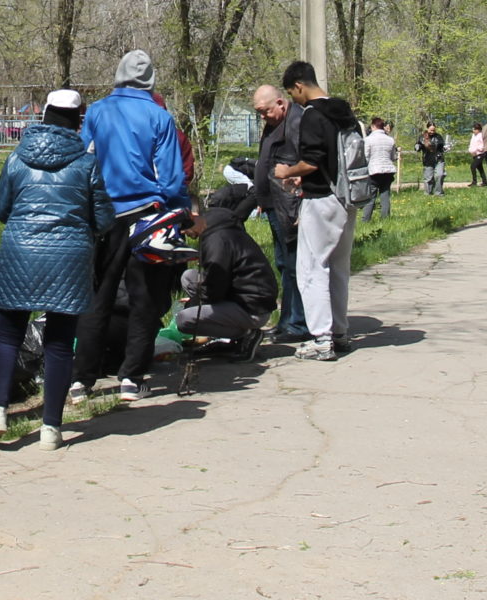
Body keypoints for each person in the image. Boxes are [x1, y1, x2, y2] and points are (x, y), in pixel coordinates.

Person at [0, 91, 110, 452]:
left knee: (7, 335)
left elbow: (0, 208)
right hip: (69, 257)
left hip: (20, 252)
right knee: (58, 343)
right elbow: (102, 218)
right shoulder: (87, 164)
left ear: (44, 116)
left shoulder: (17, 159)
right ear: (77, 121)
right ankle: (51, 428)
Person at [72, 49, 190, 403]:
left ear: (118, 75)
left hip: (105, 217)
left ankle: (81, 380)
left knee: (98, 296)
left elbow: (83, 161)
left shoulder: (96, 111)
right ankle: (131, 378)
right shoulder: (159, 117)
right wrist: (180, 209)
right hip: (148, 216)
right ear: (151, 80)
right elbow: (171, 178)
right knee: (145, 299)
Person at [275, 60, 358, 361]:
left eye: (291, 93)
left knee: (311, 269)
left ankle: (321, 339)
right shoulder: (344, 112)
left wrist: (287, 171)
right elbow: (332, 159)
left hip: (320, 200)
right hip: (346, 199)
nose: (293, 100)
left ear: (299, 86)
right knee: (338, 268)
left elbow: (311, 160)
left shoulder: (312, 116)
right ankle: (340, 333)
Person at [175, 185, 277, 355]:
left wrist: (195, 303)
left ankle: (246, 334)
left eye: (183, 226)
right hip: (245, 294)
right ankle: (230, 327)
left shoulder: (217, 240)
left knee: (184, 319)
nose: (183, 232)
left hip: (252, 306)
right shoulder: (215, 226)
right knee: (189, 277)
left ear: (193, 216)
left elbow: (216, 287)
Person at [252, 83, 310, 345]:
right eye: (259, 113)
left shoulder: (295, 122)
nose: (262, 116)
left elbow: (304, 161)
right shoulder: (273, 124)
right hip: (273, 204)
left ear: (280, 103)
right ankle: (287, 319)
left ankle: (298, 323)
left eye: (265, 111)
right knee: (284, 265)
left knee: (295, 266)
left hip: (289, 205)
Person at [364, 117, 399, 219]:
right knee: (385, 195)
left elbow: (365, 156)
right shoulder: (390, 140)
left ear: (373, 126)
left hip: (374, 171)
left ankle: (366, 219)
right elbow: (393, 157)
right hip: (388, 171)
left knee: (371, 197)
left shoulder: (368, 139)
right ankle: (385, 218)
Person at [417, 122, 447, 197]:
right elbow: (418, 145)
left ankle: (438, 193)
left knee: (440, 175)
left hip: (438, 159)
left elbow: (442, 147)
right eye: (431, 130)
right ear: (427, 129)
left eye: (434, 130)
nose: (432, 132)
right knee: (428, 178)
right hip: (428, 160)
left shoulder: (438, 136)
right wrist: (417, 147)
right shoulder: (422, 137)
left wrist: (446, 148)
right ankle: (428, 193)